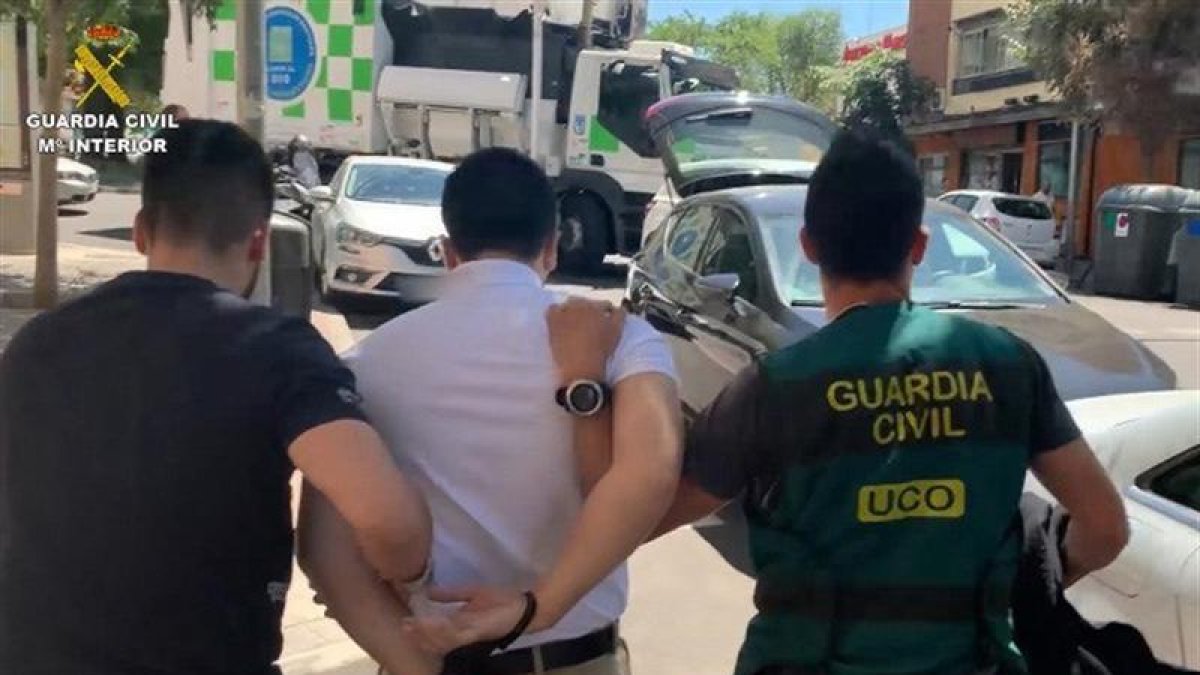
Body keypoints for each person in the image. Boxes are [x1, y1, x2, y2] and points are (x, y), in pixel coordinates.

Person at [649, 129, 1130, 675]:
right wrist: (1002, 586)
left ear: (808, 246)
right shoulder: (1009, 366)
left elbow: (649, 513)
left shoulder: (775, 387)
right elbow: (1105, 530)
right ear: (919, 246)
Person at [0, 120, 433, 675]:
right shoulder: (278, 352)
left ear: (139, 231)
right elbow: (388, 522)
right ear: (259, 240)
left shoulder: (37, 345)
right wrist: (415, 576)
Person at [300, 147, 683, 675]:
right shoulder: (622, 340)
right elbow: (653, 472)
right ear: (551, 247)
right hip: (576, 660)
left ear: (447, 250)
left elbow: (325, 556)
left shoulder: (362, 365)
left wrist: (416, 665)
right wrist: (536, 610)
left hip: (434, 655)